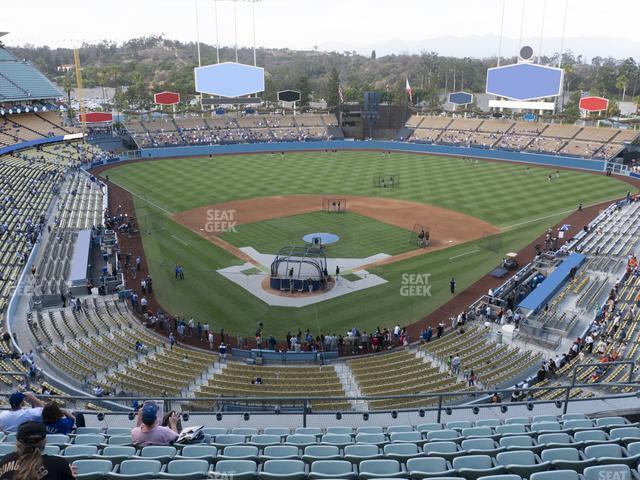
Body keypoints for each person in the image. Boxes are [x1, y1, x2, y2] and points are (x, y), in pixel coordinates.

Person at [0, 421, 74, 480]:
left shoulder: (5, 461)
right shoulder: (59, 464)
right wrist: (69, 474)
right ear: (44, 441)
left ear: (17, 442)